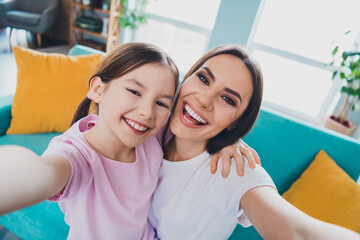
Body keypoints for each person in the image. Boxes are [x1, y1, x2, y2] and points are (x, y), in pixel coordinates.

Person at [0, 42, 259, 239]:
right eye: (134, 91)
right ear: (98, 89)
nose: (146, 112)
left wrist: (231, 140)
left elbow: (197, 127)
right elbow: (41, 173)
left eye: (161, 103)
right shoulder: (77, 158)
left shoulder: (151, 134)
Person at [148, 45, 360, 240]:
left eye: (228, 99)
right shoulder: (150, 128)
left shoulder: (235, 170)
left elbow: (298, 232)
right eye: (203, 79)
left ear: (236, 122)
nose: (204, 99)